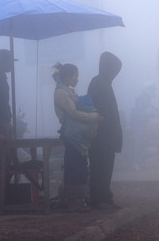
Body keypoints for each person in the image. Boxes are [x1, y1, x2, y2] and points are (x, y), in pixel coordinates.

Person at [53, 63, 101, 213]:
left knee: (78, 166)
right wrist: (94, 117)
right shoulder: (61, 93)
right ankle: (73, 202)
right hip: (71, 134)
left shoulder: (67, 91)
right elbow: (73, 114)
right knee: (74, 167)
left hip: (75, 134)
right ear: (68, 77)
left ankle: (77, 200)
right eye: (76, 76)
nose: (78, 79)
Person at [87, 52, 123, 209]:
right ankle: (98, 198)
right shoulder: (98, 83)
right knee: (100, 167)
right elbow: (100, 109)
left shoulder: (104, 82)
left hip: (107, 134)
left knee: (106, 166)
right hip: (100, 134)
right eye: (114, 70)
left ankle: (104, 197)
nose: (115, 74)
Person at [129, 82, 157, 170]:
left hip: (142, 123)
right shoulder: (141, 99)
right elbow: (139, 112)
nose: (153, 91)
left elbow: (154, 109)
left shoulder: (147, 98)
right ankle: (135, 163)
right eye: (152, 89)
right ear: (147, 90)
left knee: (146, 140)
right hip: (137, 123)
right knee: (139, 140)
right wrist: (149, 115)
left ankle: (142, 161)